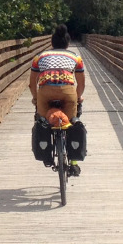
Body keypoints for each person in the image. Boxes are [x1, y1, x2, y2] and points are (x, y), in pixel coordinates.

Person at [29, 24, 87, 174]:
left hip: (45, 92)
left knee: (42, 121)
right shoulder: (76, 57)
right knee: (72, 121)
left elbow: (31, 84)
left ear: (52, 44)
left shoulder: (39, 57)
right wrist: (78, 97)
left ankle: (47, 156)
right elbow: (81, 83)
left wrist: (36, 99)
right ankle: (73, 162)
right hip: (67, 92)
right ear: (68, 44)